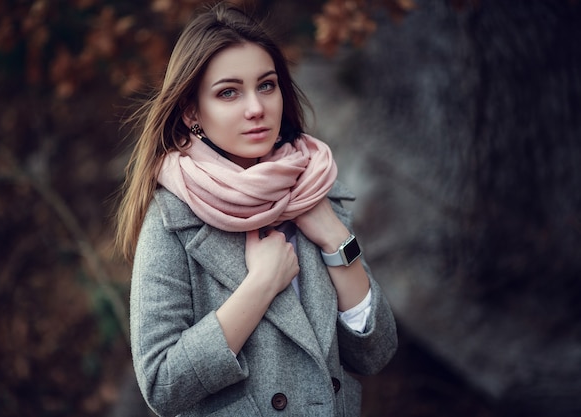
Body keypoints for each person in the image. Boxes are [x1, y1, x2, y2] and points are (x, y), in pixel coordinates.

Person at [115, 2, 397, 416]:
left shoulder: (315, 188)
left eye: (266, 85)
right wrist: (261, 285)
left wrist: (336, 239)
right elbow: (161, 384)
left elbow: (375, 353)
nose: (256, 107)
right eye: (229, 92)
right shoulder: (172, 218)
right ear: (193, 113)